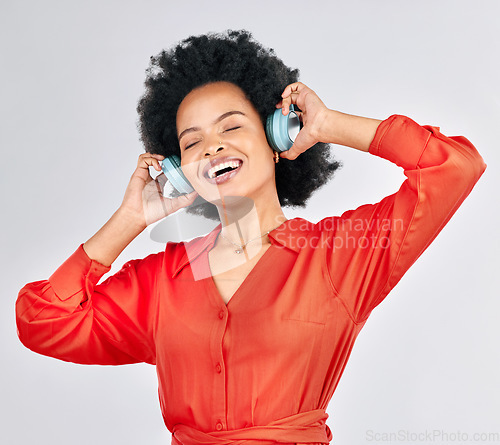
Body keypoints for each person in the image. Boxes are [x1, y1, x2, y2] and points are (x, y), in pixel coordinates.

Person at [16, 30, 486, 445]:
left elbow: (454, 167)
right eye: (191, 141)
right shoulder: (159, 283)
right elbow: (43, 322)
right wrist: (130, 219)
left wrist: (327, 126)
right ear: (182, 172)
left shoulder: (338, 258)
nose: (212, 146)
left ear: (276, 138)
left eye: (231, 126)